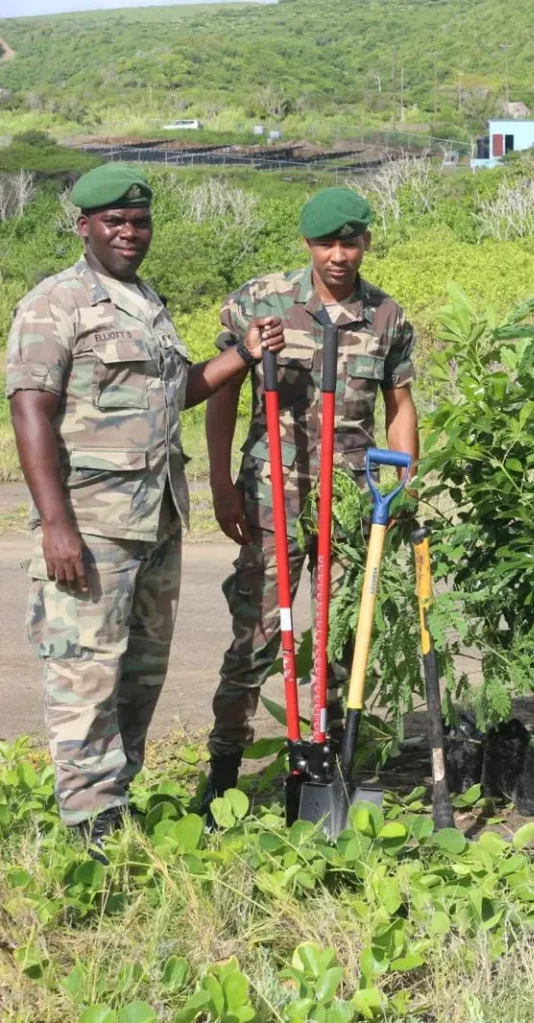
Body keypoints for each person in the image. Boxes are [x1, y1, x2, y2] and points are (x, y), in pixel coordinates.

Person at [5, 164, 283, 845]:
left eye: (140, 222)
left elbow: (176, 390)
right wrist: (57, 525)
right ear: (85, 227)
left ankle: (116, 804)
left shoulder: (146, 303)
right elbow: (31, 410)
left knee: (141, 674)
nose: (130, 232)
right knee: (85, 672)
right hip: (93, 526)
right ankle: (84, 823)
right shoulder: (57, 303)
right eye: (115, 222)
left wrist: (245, 354)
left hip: (156, 519)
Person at [201, 187, 419, 802]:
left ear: (366, 243)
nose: (338, 255)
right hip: (274, 497)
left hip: (351, 500)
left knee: (342, 633)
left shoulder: (386, 316)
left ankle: (331, 758)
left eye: (350, 242)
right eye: (326, 243)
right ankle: (223, 773)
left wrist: (401, 487)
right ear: (307, 245)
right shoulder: (262, 301)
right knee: (258, 634)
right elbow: (223, 393)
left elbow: (400, 408)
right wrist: (222, 484)